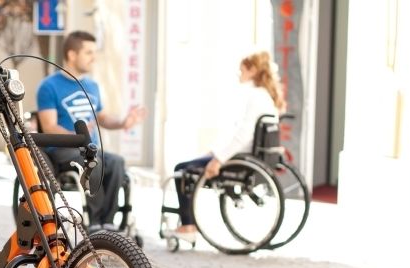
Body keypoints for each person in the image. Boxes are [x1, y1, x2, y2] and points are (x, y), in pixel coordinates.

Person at [170, 51, 285, 243]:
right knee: (189, 165)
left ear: (252, 70)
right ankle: (187, 224)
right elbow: (238, 133)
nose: (238, 74)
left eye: (242, 70)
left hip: (239, 156)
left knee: (182, 170)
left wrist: (218, 159)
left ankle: (187, 225)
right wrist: (215, 151)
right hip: (244, 154)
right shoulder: (265, 96)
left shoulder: (254, 96)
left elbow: (243, 135)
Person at [36, 30, 145, 229]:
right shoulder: (48, 86)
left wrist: (124, 122)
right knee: (93, 162)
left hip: (89, 149)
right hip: (62, 150)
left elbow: (101, 117)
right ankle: (94, 223)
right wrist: (77, 137)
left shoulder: (92, 86)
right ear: (72, 55)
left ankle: (107, 222)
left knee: (116, 163)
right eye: (88, 52)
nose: (93, 58)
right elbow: (49, 126)